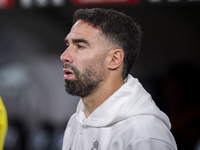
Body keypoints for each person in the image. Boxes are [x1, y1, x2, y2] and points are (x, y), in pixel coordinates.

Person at [60, 8, 177, 150]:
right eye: (68, 45)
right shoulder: (76, 121)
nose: (64, 56)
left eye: (80, 46)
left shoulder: (143, 136)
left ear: (114, 59)